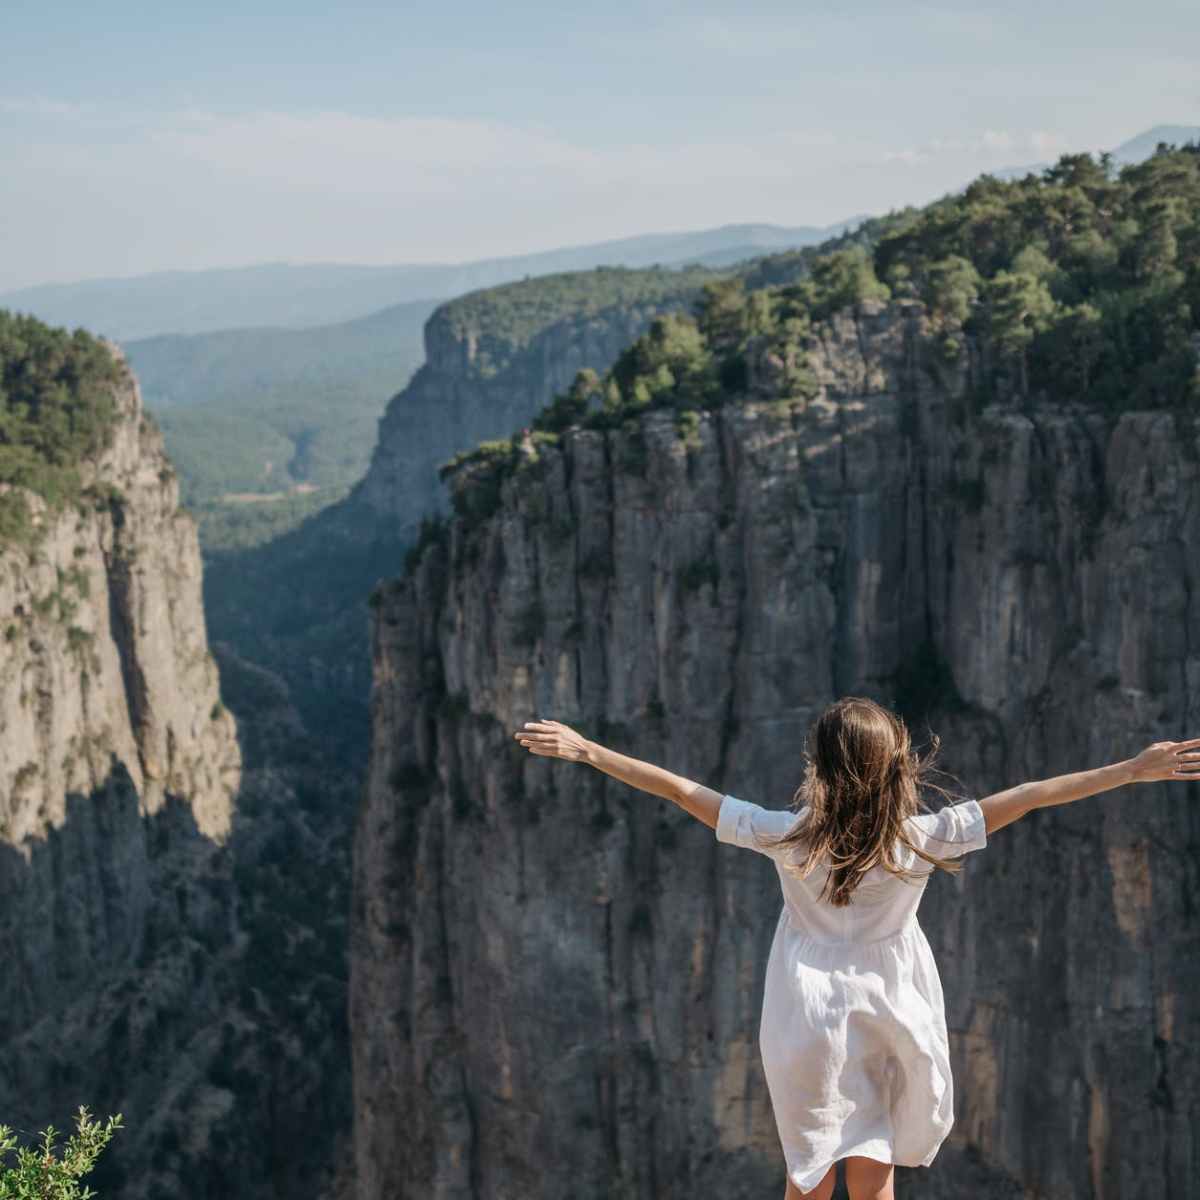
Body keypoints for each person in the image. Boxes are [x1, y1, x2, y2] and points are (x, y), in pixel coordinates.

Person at [513, 696, 1199, 1200]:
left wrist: (591, 750)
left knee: (807, 1170)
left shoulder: (787, 836)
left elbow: (680, 790)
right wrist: (1130, 770)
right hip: (891, 1006)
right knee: (873, 1174)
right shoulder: (923, 838)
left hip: (804, 1013)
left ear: (820, 766)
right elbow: (1032, 796)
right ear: (896, 766)